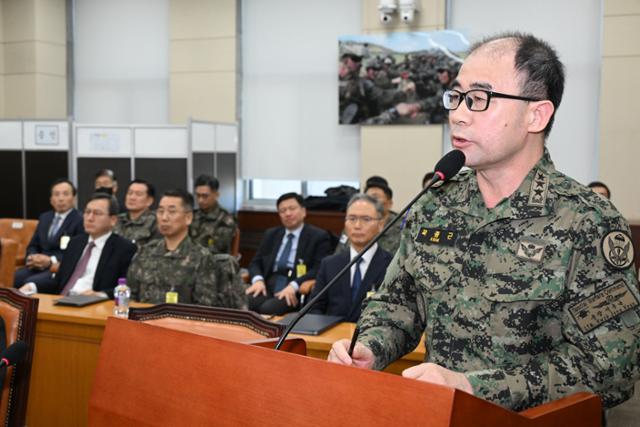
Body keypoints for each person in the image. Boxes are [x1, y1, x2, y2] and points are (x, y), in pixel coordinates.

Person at [329, 32, 640, 412]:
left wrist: (474, 387)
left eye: (479, 99)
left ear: (536, 114)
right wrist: (369, 346)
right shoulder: (435, 206)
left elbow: (611, 369)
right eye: (456, 97)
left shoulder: (587, 221)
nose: (458, 114)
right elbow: (399, 305)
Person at [127, 189, 244, 308]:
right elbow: (130, 296)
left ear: (188, 218)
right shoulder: (145, 252)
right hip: (143, 322)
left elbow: (203, 309)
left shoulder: (202, 258)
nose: (164, 218)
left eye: (172, 212)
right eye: (160, 211)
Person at [19, 193, 136, 297]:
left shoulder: (123, 248)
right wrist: (32, 286)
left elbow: (125, 286)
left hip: (92, 305)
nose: (90, 218)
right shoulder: (75, 243)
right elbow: (59, 281)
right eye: (87, 212)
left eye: (97, 213)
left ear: (113, 220)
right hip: (63, 301)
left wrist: (101, 295)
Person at [309, 194, 392, 322]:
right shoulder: (330, 264)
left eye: (366, 219)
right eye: (352, 218)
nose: (357, 225)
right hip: (333, 337)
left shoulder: (392, 265)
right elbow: (314, 308)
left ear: (380, 225)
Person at [246, 192, 331, 315]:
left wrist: (295, 285)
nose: (288, 214)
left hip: (295, 285)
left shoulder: (318, 236)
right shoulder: (271, 234)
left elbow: (319, 268)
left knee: (269, 309)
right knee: (247, 302)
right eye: (283, 210)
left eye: (292, 208)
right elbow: (255, 262)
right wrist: (257, 280)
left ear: (303, 211)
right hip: (268, 283)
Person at [14, 179, 84, 289]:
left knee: (31, 282)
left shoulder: (80, 220)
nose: (61, 199)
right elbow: (33, 245)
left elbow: (77, 251)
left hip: (59, 266)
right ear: (51, 200)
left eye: (65, 194)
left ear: (74, 198)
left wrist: (50, 261)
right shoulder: (44, 217)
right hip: (37, 266)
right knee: (13, 277)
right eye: (56, 194)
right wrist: (33, 257)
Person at [335, 176, 402, 255]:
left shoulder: (403, 227)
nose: (371, 203)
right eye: (367, 199)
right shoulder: (353, 224)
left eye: (375, 198)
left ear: (389, 204)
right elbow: (339, 255)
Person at [189, 175, 236, 255]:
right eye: (198, 195)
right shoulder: (192, 215)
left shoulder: (226, 219)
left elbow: (216, 249)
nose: (200, 200)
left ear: (216, 195)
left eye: (205, 196)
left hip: (213, 263)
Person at [113, 179, 160, 248]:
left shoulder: (155, 221)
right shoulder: (116, 220)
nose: (132, 197)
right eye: (130, 193)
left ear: (149, 201)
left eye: (138, 194)